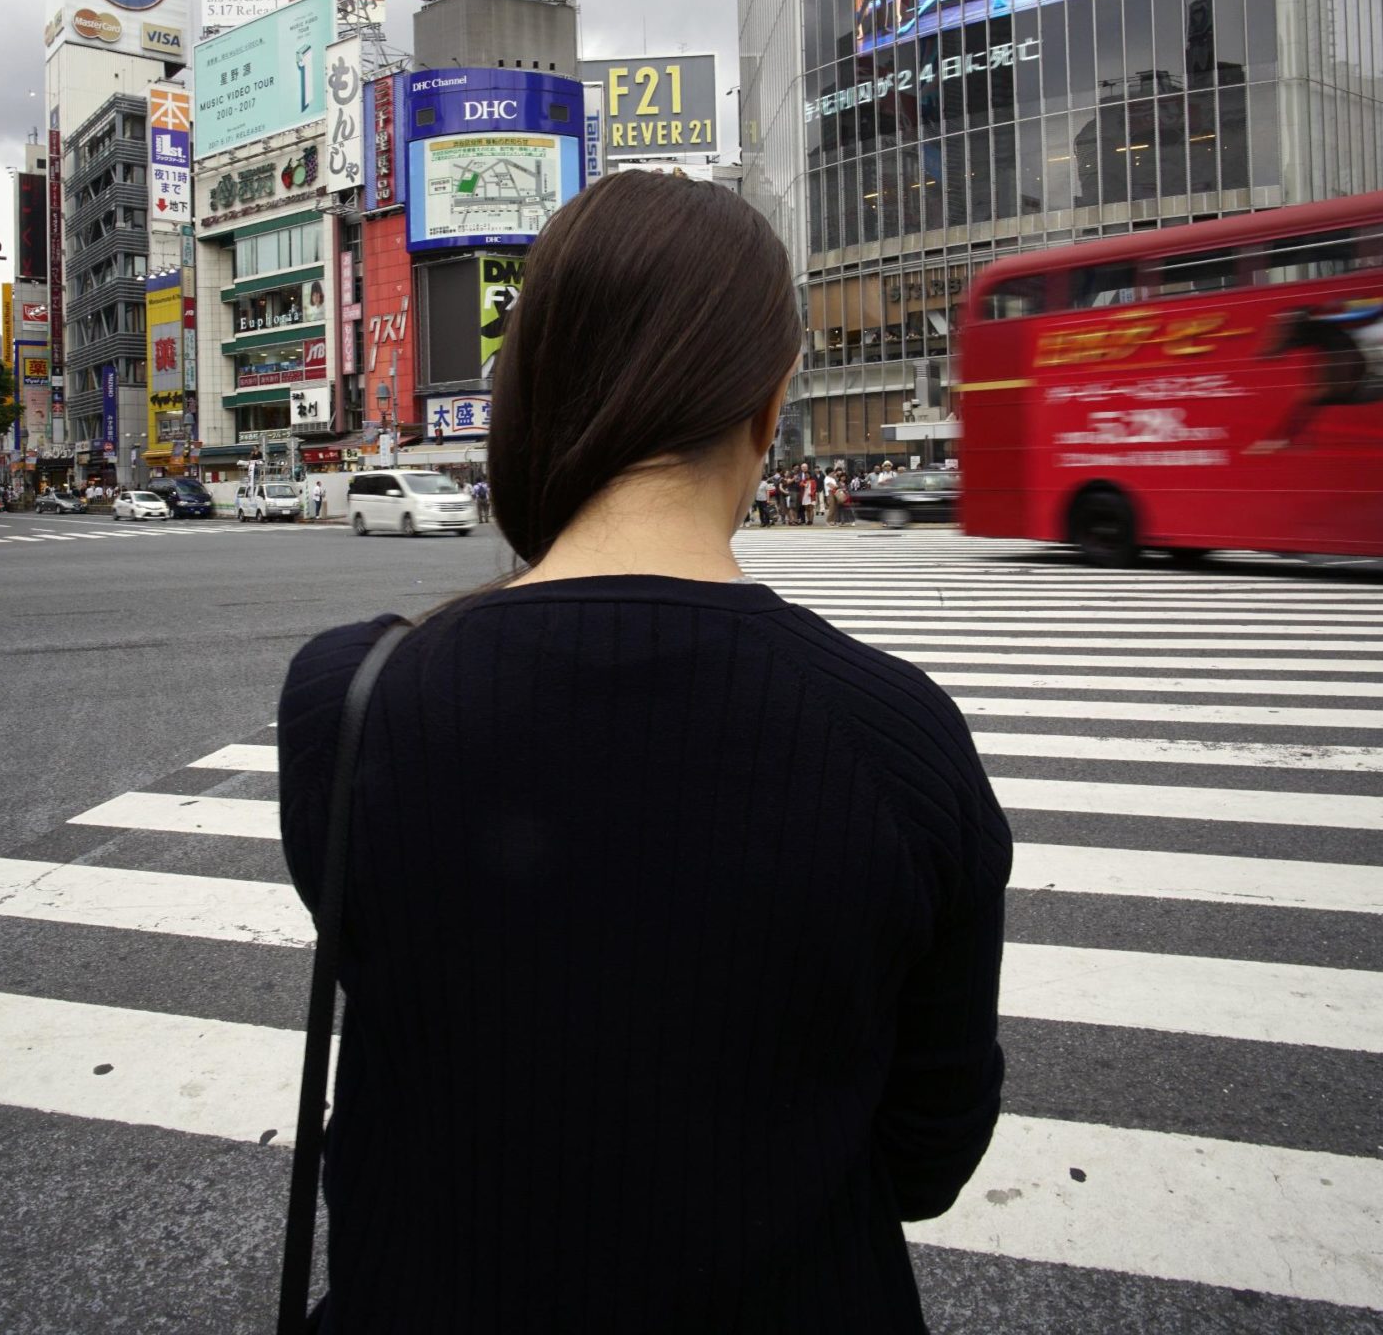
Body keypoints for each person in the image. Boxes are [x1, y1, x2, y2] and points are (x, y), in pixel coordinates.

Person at [276, 171, 1009, 1329]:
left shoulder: (350, 698)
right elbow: (927, 1158)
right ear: (768, 407)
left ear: (529, 394)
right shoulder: (898, 738)